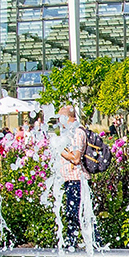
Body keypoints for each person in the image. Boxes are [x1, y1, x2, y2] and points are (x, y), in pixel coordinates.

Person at [54, 101, 92, 240]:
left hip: (78, 180)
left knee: (78, 214)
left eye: (60, 118)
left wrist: (60, 150)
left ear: (67, 118)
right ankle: (72, 244)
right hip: (70, 179)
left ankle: (79, 243)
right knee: (72, 214)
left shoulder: (78, 132)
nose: (59, 122)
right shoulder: (70, 133)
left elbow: (76, 159)